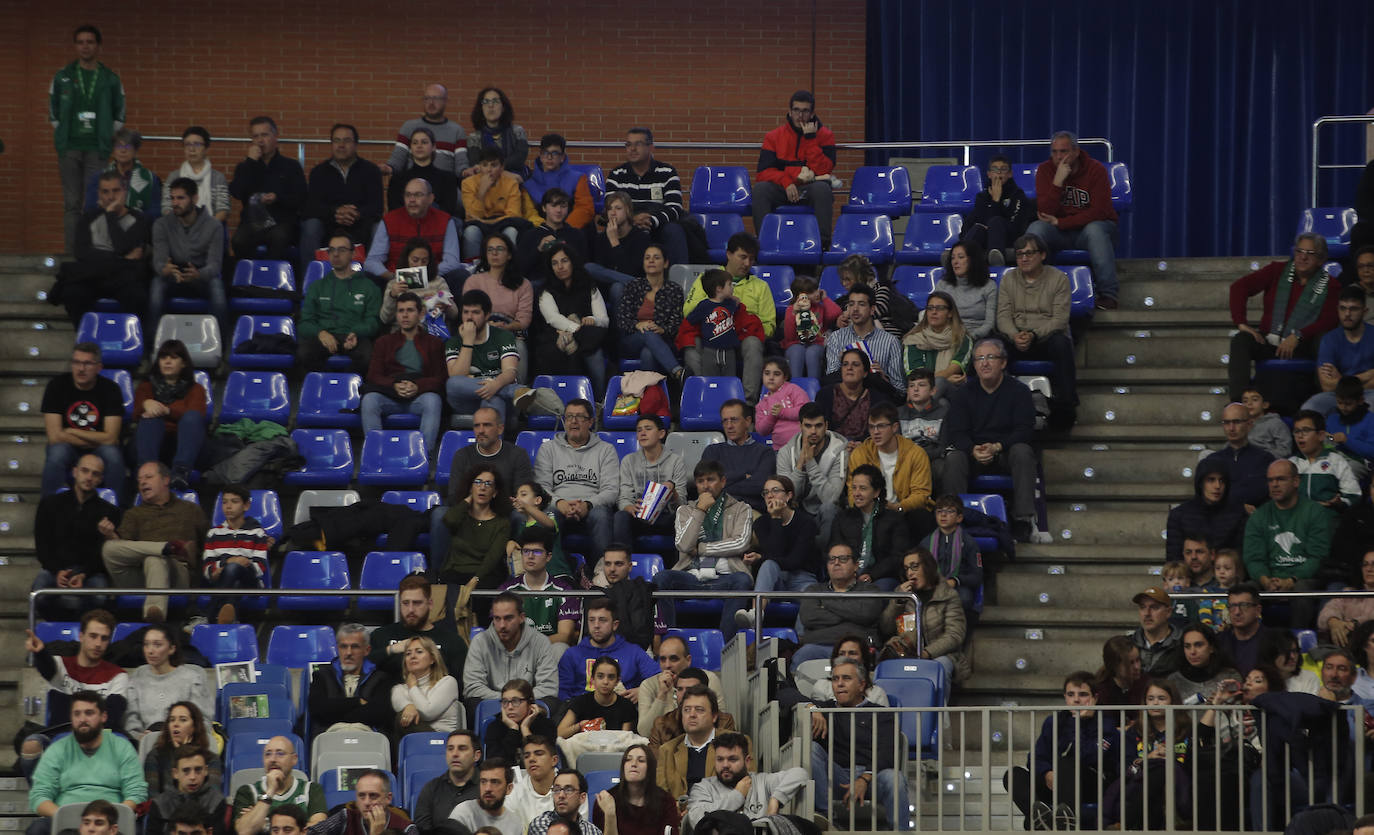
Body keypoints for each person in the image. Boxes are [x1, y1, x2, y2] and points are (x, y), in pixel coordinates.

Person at [944, 337, 1046, 543]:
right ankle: (953, 519)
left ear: (1003, 362)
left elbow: (1025, 429)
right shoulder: (964, 393)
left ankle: (1023, 519)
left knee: (1023, 451)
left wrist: (998, 447)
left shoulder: (1019, 391)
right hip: (974, 454)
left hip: (1005, 453)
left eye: (991, 357)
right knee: (954, 458)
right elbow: (957, 432)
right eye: (979, 358)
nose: (985, 363)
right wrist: (973, 449)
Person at [1227, 233, 1340, 404]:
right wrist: (1242, 323)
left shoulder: (1331, 285)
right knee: (1241, 340)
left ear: (1321, 259)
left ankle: (1324, 397)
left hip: (1303, 345)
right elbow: (1239, 288)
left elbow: (1330, 320)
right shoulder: (1276, 271)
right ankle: (1238, 402)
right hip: (1270, 340)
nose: (1303, 257)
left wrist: (1299, 335)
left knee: (1324, 340)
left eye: (1310, 253)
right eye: (1299, 251)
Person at [809, 658, 911, 831]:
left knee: (895, 778)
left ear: (862, 685)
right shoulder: (824, 709)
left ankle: (900, 831)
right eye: (835, 679)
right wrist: (811, 707)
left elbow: (887, 753)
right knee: (811, 749)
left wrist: (864, 778)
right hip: (837, 776)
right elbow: (785, 694)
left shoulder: (881, 714)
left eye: (846, 678)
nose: (839, 684)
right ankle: (826, 819)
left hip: (872, 777)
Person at [1002, 672, 1111, 832]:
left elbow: (1091, 757)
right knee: (1013, 774)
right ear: (1065, 697)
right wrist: (1047, 773)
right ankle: (1039, 818)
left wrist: (1078, 723)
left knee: (1067, 763)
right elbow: (1035, 758)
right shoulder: (1054, 722)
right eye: (1071, 694)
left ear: (1095, 698)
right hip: (1054, 782)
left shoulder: (1105, 725)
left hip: (1090, 783)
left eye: (1083, 695)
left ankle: (1065, 822)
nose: (1076, 700)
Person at [656, 460, 754, 637]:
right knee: (661, 578)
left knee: (743, 580)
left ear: (723, 482)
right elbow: (683, 545)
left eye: (711, 480)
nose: (705, 486)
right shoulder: (685, 510)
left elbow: (740, 543)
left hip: (725, 577)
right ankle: (669, 641)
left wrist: (702, 549)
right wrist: (700, 510)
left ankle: (726, 645)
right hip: (691, 576)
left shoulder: (741, 508)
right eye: (701, 481)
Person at [101, 461, 209, 622]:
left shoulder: (190, 510)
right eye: (139, 480)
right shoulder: (133, 514)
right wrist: (110, 534)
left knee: (155, 559)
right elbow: (124, 548)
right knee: (109, 547)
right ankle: (167, 547)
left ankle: (154, 620)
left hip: (177, 575)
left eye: (148, 477)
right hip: (140, 576)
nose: (142, 482)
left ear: (166, 480)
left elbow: (208, 546)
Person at [26, 691, 145, 835]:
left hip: (110, 821)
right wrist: (66, 817)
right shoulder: (57, 749)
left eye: (89, 713)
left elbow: (136, 793)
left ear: (103, 717)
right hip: (65, 822)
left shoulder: (122, 747)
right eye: (77, 714)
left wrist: (109, 817)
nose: (82, 719)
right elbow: (38, 797)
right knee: (37, 829)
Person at [1025, 131, 1120, 310]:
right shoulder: (1045, 170)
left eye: (1063, 151)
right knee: (1036, 229)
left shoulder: (1095, 170)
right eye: (1054, 152)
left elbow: (1099, 212)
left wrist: (1062, 223)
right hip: (1059, 231)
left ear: (1076, 152)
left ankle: (1108, 294)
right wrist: (1058, 181)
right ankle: (1034, 291)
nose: (1059, 157)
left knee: (1095, 231)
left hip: (1090, 230)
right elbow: (1044, 211)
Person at [52, 24, 126, 252]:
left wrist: (105, 136)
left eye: (90, 42)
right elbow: (53, 113)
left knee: (95, 203)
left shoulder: (110, 79)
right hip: (70, 147)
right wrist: (63, 138)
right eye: (81, 42)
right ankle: (72, 254)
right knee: (71, 204)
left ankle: (94, 251)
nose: (85, 46)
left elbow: (119, 114)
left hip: (97, 148)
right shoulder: (63, 76)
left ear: (98, 46)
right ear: (76, 46)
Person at [22, 610, 129, 761]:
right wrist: (40, 653)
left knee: (122, 743)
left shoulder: (118, 676)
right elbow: (47, 665)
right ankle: (43, 786)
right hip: (60, 734)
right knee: (31, 745)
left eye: (104, 638)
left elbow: (112, 717)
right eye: (93, 636)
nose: (98, 643)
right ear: (81, 636)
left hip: (101, 735)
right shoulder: (60, 665)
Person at [996, 233, 1077, 424]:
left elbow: (1060, 319)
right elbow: (1003, 316)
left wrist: (1034, 334)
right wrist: (1015, 335)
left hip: (1045, 337)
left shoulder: (1059, 279)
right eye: (1019, 254)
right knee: (993, 347)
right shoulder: (1009, 279)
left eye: (1029, 253)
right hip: (1016, 336)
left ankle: (1065, 408)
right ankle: (999, 406)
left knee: (1062, 344)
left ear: (1042, 255)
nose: (1024, 258)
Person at [54, 171, 149, 328]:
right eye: (105, 192)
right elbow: (82, 253)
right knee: (72, 293)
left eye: (115, 191)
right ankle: (85, 342)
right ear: (99, 194)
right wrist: (121, 259)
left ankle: (130, 340)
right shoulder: (88, 219)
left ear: (125, 191)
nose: (110, 197)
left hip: (123, 280)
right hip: (93, 277)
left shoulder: (139, 219)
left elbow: (122, 246)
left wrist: (110, 215)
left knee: (137, 296)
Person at [1244, 459, 1330, 625]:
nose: (1274, 484)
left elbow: (1318, 557)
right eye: (1270, 480)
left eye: (1281, 479)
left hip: (1304, 579)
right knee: (1246, 591)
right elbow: (1253, 558)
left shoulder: (1315, 512)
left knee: (1302, 590)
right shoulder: (1259, 516)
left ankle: (1298, 643)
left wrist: (1291, 580)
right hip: (1268, 580)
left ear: (1296, 481)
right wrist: (1265, 581)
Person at [31, 452, 117, 618]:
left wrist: (84, 573)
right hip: (54, 568)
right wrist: (57, 571)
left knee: (99, 596)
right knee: (39, 594)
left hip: (91, 572)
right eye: (85, 471)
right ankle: (55, 630)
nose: (89, 477)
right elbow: (42, 546)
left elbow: (103, 553)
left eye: (95, 474)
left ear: (100, 479)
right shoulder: (49, 505)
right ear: (75, 472)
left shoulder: (109, 512)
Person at [360, 291, 446, 452]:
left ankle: (423, 455)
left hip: (420, 395)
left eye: (410, 310)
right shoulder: (383, 342)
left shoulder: (434, 343)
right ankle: (376, 453)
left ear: (421, 314)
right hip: (390, 394)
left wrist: (417, 386)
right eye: (401, 311)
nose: (405, 315)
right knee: (369, 400)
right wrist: (394, 385)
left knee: (433, 400)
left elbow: (440, 378)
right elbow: (373, 375)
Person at [1100, 680, 1192, 831]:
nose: (1155, 703)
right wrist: (1148, 759)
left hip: (1178, 786)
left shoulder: (1187, 730)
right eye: (1150, 699)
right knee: (1155, 772)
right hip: (1139, 784)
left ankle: (1125, 823)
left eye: (1161, 698)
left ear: (1173, 701)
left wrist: (1170, 759)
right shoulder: (1134, 732)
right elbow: (1124, 767)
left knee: (1163, 769)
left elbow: (1193, 767)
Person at [535, 398, 620, 559]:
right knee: (548, 515)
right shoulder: (548, 449)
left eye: (580, 417)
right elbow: (541, 487)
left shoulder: (606, 450)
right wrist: (559, 503)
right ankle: (552, 572)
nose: (573, 421)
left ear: (591, 422)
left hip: (593, 506)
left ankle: (600, 575)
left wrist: (587, 505)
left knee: (601, 515)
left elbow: (611, 490)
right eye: (569, 417)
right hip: (558, 505)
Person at [752, 91, 837, 246]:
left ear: (812, 114)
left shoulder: (826, 136)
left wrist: (811, 140)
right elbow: (763, 173)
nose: (800, 116)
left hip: (810, 188)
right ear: (790, 112)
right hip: (783, 188)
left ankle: (822, 245)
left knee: (822, 190)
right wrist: (786, 182)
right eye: (796, 110)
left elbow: (824, 171)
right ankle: (764, 243)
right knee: (760, 189)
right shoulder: (773, 136)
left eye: (805, 111)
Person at [734, 476, 819, 629]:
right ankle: (755, 613)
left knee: (811, 598)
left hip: (802, 578)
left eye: (775, 491)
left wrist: (761, 558)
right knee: (768, 565)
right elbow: (774, 553)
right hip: (775, 579)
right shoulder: (761, 523)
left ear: (789, 495)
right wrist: (775, 518)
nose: (770, 495)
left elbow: (795, 561)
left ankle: (800, 642)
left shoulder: (806, 522)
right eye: (766, 492)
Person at [879, 547, 969, 684]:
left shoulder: (948, 595)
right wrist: (898, 602)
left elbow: (955, 635)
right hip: (908, 655)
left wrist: (926, 653)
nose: (909, 573)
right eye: (906, 568)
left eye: (914, 567)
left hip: (942, 655)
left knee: (940, 667)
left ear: (928, 567)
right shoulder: (903, 595)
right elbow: (885, 628)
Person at [682, 732, 806, 833]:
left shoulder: (762, 782)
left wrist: (775, 799)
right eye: (720, 759)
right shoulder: (703, 787)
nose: (725, 765)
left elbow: (800, 774)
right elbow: (697, 819)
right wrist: (737, 795)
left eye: (732, 759)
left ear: (747, 761)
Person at [148, 177, 226, 333]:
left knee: (217, 288)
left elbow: (215, 265)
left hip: (201, 276)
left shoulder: (214, 226)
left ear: (194, 198)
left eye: (181, 198)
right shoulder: (161, 224)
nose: (175, 203)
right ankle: (151, 348)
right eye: (173, 198)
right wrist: (164, 269)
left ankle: (222, 348)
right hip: (173, 275)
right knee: (156, 287)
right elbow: (159, 260)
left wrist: (199, 274)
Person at [299, 232, 383, 373]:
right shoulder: (317, 286)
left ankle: (352, 390)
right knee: (303, 354)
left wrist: (357, 332)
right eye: (332, 250)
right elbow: (305, 323)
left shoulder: (369, 286)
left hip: (354, 336)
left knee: (368, 357)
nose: (336, 254)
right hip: (325, 335)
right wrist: (320, 333)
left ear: (353, 253)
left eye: (342, 250)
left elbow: (373, 321)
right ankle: (321, 388)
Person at [604, 127, 690, 266]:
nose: (632, 149)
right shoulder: (616, 175)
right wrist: (632, 220)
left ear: (651, 147)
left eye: (638, 144)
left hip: (659, 224)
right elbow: (608, 208)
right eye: (628, 144)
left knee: (674, 230)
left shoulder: (667, 172)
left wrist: (651, 220)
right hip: (627, 226)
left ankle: (679, 282)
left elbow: (675, 208)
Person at [301, 123, 384, 262]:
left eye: (346, 140)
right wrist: (336, 212)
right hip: (329, 225)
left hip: (361, 225)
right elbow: (311, 207)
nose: (341, 145)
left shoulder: (371, 171)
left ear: (356, 144)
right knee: (310, 226)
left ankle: (373, 279)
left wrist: (356, 213)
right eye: (336, 140)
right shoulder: (319, 172)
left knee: (379, 228)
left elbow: (377, 207)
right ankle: (310, 280)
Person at [535, 244, 611, 395]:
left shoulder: (588, 285)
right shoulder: (545, 290)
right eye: (555, 263)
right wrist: (575, 329)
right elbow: (552, 318)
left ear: (572, 262)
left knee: (594, 351)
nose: (560, 267)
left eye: (564, 261)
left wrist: (591, 320)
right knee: (553, 350)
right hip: (556, 335)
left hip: (588, 337)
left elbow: (603, 320)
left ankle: (599, 400)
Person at [444, 290, 529, 425]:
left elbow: (510, 372)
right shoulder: (454, 342)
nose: (469, 317)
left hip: (500, 400)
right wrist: (467, 342)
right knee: (452, 383)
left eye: (475, 312)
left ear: (487, 315)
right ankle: (514, 391)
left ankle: (495, 446)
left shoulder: (503, 336)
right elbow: (457, 377)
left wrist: (495, 385)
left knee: (492, 399)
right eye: (466, 312)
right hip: (467, 402)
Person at [462, 592, 561, 708]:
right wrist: (507, 701)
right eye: (497, 618)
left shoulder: (540, 642)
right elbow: (472, 687)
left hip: (529, 705)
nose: (502, 625)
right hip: (494, 704)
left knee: (551, 703)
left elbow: (548, 687)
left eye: (508, 618)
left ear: (521, 618)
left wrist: (519, 702)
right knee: (473, 704)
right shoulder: (480, 641)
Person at [228, 116, 306, 261]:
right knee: (238, 241)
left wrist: (277, 198)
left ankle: (271, 278)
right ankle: (248, 280)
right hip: (252, 222)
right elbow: (237, 192)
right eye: (255, 136)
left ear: (275, 137)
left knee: (280, 237)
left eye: (264, 135)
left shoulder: (291, 166)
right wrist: (250, 162)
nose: (260, 140)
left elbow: (300, 197)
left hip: (282, 221)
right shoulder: (245, 167)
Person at [792, 543, 884, 666]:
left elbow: (866, 614)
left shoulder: (870, 590)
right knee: (802, 655)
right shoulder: (814, 590)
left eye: (843, 559)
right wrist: (852, 616)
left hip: (858, 648)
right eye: (832, 559)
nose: (836, 563)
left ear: (856, 565)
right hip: (819, 647)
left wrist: (826, 603)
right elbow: (809, 617)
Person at [132, 339, 207, 488]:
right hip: (152, 444)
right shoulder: (146, 387)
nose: (167, 362)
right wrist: (145, 404)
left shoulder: (196, 389)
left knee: (191, 417)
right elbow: (135, 415)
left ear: (183, 363)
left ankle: (181, 472)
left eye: (173, 358)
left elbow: (196, 416)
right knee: (149, 419)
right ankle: (148, 474)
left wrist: (167, 410)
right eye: (163, 357)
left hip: (185, 445)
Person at [848, 403, 934, 529]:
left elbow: (921, 494)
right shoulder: (860, 454)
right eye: (872, 427)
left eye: (881, 426)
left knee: (921, 516)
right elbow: (852, 491)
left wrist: (898, 507)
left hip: (903, 511)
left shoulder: (915, 453)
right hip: (869, 510)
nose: (875, 432)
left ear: (894, 427)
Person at [367, 575, 467, 683]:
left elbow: (461, 684)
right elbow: (362, 668)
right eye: (405, 603)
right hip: (388, 697)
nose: (410, 609)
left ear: (430, 604)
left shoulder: (452, 641)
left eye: (417, 603)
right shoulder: (380, 636)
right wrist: (391, 650)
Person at [462, 233, 535, 381]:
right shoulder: (473, 281)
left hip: (509, 332)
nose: (494, 253)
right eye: (490, 249)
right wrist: (486, 326)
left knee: (519, 347)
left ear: (509, 255)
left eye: (500, 249)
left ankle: (518, 392)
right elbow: (468, 315)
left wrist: (505, 328)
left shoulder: (523, 284)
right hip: (478, 331)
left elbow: (524, 320)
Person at [366, 179, 465, 286]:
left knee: (460, 275)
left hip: (434, 278)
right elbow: (372, 261)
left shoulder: (445, 221)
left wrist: (424, 276)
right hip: (395, 279)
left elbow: (452, 261)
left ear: (430, 199)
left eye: (418, 195)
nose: (412, 200)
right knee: (367, 276)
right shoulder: (390, 220)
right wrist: (393, 277)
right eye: (408, 195)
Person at [122, 625, 213, 740]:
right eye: (146, 644)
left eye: (157, 645)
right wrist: (140, 737)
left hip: (186, 744)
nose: (150, 650)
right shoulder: (138, 675)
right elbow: (131, 718)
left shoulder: (192, 678)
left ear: (171, 649)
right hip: (146, 744)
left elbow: (203, 720)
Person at [775, 403, 848, 543]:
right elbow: (785, 497)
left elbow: (831, 498)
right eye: (808, 426)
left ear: (826, 426)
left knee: (829, 508)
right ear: (800, 426)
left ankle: (824, 558)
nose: (813, 431)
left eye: (818, 425)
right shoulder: (785, 452)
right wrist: (800, 467)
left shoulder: (839, 451)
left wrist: (810, 463)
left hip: (825, 513)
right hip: (798, 512)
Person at [557, 599, 658, 701]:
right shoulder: (572, 654)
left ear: (615, 625)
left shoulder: (633, 652)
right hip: (583, 713)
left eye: (602, 620)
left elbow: (659, 679)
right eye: (592, 620)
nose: (596, 625)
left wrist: (643, 691)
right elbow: (562, 693)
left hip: (624, 712)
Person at [830, 465, 911, 591]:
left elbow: (898, 556)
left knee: (876, 592)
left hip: (881, 577)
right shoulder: (843, 518)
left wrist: (872, 575)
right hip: (847, 575)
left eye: (862, 488)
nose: (856, 493)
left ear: (876, 492)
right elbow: (834, 549)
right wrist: (849, 572)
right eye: (854, 488)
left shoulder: (894, 519)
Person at [308, 623, 396, 738]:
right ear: (337, 649)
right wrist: (357, 702)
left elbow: (379, 714)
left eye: (355, 646)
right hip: (330, 737)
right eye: (344, 646)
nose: (348, 653)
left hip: (368, 739)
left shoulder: (381, 678)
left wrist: (335, 710)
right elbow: (318, 709)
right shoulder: (322, 675)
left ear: (367, 650)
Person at [499, 529, 581, 651]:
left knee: (560, 648)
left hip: (548, 650)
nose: (530, 556)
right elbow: (501, 631)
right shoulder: (507, 590)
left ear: (548, 557)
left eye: (537, 552)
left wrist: (532, 645)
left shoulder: (564, 590)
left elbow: (565, 635)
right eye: (526, 551)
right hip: (515, 652)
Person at [612, 415, 686, 549]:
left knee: (682, 519)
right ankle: (621, 563)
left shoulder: (675, 461)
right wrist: (629, 507)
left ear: (661, 433)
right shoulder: (629, 461)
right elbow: (624, 497)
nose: (642, 433)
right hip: (639, 516)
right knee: (621, 516)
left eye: (648, 429)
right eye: (639, 430)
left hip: (666, 517)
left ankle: (681, 566)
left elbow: (682, 506)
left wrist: (673, 493)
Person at [230, 735, 327, 834]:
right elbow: (244, 831)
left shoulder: (311, 790)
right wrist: (270, 791)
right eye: (268, 754)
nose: (273, 759)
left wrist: (265, 825)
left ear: (294, 759)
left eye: (280, 753)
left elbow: (318, 830)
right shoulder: (248, 792)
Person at [657, 686, 739, 802]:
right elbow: (661, 797)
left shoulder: (736, 743)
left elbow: (744, 786)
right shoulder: (667, 750)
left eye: (699, 710)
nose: (692, 715)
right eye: (687, 710)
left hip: (720, 814)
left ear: (714, 716)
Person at [1303, 286, 1374, 415]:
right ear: (1337, 310)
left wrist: (1342, 380)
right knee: (1309, 410)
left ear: (1365, 311)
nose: (1347, 314)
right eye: (1343, 308)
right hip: (1336, 395)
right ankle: (1330, 437)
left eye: (1353, 309)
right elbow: (1327, 386)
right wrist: (1365, 376)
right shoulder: (1329, 340)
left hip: (1368, 394)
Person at [636, 639, 727, 738]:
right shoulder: (648, 685)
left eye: (673, 659)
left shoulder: (709, 679)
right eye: (662, 659)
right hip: (664, 746)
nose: (667, 665)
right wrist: (662, 694)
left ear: (688, 660)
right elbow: (644, 732)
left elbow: (721, 723)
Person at [440, 465, 513, 589]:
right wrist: (469, 498)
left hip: (484, 576)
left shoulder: (502, 523)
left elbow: (492, 558)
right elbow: (448, 520)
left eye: (488, 484)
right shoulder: (460, 516)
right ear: (470, 487)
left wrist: (476, 579)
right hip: (455, 572)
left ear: (495, 493)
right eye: (478, 482)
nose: (482, 487)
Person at [700, 399, 776, 513]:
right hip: (717, 512)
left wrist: (722, 484)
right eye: (725, 421)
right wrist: (743, 475)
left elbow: (759, 486)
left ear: (748, 421)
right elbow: (707, 486)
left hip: (751, 511)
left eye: (734, 420)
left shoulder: (765, 452)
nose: (729, 426)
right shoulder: (712, 451)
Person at [823, 283, 904, 386]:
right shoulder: (836, 338)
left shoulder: (891, 342)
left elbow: (900, 389)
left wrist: (884, 378)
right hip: (844, 396)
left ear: (872, 309)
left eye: (861, 304)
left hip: (876, 395)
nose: (855, 309)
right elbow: (831, 379)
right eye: (851, 304)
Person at [461, 148, 536, 258]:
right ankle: (473, 268)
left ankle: (511, 268)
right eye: (485, 165)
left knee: (511, 231)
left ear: (502, 167)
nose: (489, 170)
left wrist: (489, 222)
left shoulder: (511, 184)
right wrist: (482, 191)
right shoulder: (468, 183)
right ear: (480, 167)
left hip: (503, 224)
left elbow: (514, 215)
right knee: (471, 231)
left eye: (494, 165)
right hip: (480, 224)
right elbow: (472, 215)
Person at [1165, 459, 1246, 562]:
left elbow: (1239, 559)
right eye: (1211, 480)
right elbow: (1174, 560)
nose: (1217, 486)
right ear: (1200, 483)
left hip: (1225, 575)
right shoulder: (1179, 515)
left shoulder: (1238, 514)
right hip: (1188, 575)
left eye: (1222, 481)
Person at [1201, 402, 1276, 512]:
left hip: (1255, 521)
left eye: (1236, 422)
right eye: (1227, 423)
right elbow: (1205, 498)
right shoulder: (1212, 461)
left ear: (1249, 424)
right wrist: (1238, 508)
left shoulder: (1265, 459)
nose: (1231, 428)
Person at [590, 744, 679, 835]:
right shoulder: (606, 801)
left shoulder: (666, 801)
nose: (633, 764)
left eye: (641, 760)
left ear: (650, 768)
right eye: (628, 760)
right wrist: (610, 814)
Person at [588, 190, 652, 316]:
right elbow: (599, 271)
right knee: (588, 267)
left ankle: (621, 334)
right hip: (606, 287)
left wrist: (614, 241)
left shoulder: (640, 237)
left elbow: (630, 270)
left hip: (633, 292)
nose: (613, 212)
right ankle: (638, 284)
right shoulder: (601, 238)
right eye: (610, 209)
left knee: (618, 287)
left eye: (618, 208)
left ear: (628, 211)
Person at [902, 290, 973, 402]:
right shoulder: (914, 340)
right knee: (941, 403)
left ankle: (916, 415)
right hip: (922, 391)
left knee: (940, 385)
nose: (933, 312)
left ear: (950, 313)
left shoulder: (962, 338)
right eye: (930, 308)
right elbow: (915, 377)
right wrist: (945, 379)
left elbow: (954, 369)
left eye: (939, 308)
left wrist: (942, 381)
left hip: (954, 391)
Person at [384, 84, 468, 179]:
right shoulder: (408, 127)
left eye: (436, 98)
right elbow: (397, 160)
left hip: (445, 187)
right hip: (413, 186)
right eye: (427, 98)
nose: (431, 103)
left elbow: (461, 166)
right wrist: (387, 168)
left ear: (445, 101)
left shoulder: (457, 130)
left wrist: (467, 172)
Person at [645, 667, 738, 752]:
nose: (684, 695)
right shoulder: (661, 724)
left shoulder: (724, 721)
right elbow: (655, 765)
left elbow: (729, 759)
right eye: (680, 689)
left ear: (705, 692)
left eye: (691, 689)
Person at [1290, 409, 1361, 519]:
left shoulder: (1336, 461)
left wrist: (1339, 502)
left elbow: (1354, 495)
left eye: (1306, 430)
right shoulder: (1290, 463)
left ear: (1321, 435)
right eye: (1296, 431)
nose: (1300, 436)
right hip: (1296, 520)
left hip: (1327, 520)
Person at [961, 156, 1033, 264]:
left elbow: (1016, 226)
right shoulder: (982, 196)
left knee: (996, 222)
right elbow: (974, 221)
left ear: (1010, 174)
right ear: (989, 174)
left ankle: (996, 258)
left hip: (1009, 239)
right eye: (995, 169)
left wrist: (996, 201)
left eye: (1003, 169)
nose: (999, 173)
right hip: (984, 238)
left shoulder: (1018, 195)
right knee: (977, 228)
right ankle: (960, 256)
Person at [817, 348, 894, 444]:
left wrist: (862, 447)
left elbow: (882, 433)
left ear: (865, 372)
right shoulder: (825, 395)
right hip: (833, 451)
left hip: (867, 451)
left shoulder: (878, 399)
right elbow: (818, 429)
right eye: (845, 364)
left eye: (855, 364)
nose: (849, 368)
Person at [922, 494, 985, 611]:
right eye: (939, 511)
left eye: (950, 511)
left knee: (964, 598)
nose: (943, 515)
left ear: (959, 518)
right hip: (933, 585)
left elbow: (977, 576)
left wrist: (956, 581)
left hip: (958, 586)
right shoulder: (926, 542)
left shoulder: (969, 542)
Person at [142, 701, 220, 796]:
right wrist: (179, 756)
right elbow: (152, 799)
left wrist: (186, 752)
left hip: (202, 810)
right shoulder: (155, 756)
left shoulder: (211, 759)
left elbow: (213, 798)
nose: (176, 724)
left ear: (194, 727)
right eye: (172, 720)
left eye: (183, 720)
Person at [307, 769, 418, 835]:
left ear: (388, 798)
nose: (366, 802)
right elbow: (311, 833)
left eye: (373, 796)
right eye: (361, 796)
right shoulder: (346, 817)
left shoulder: (406, 828)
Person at [146, 747, 228, 835]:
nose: (192, 777)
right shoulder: (159, 804)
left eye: (198, 770)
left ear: (206, 770)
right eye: (186, 771)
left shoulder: (217, 802)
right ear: (175, 773)